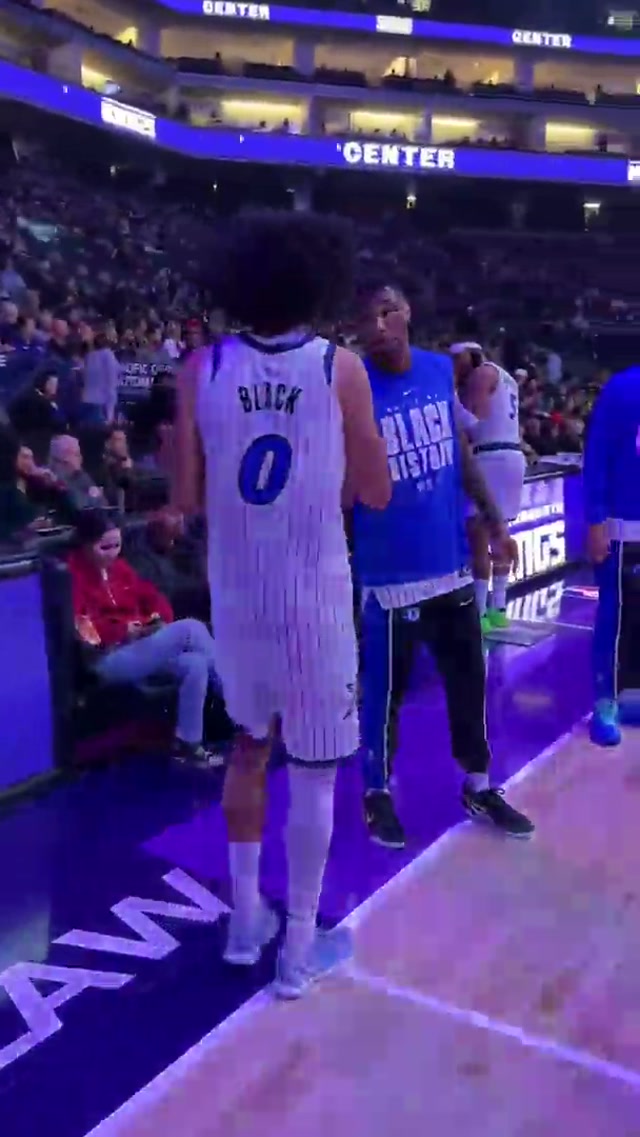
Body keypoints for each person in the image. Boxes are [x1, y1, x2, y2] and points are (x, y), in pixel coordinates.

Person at [172, 209, 390, 998]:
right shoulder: (340, 366)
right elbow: (375, 490)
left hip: (238, 597)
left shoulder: (201, 368)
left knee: (248, 749)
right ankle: (298, 947)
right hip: (314, 600)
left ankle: (244, 921)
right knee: (318, 773)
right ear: (317, 283)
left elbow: (186, 496)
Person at [352, 284, 534, 849]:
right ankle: (377, 792)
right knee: (385, 694)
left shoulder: (436, 371)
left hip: (449, 562)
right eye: (367, 319)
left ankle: (479, 785)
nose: (379, 326)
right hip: (389, 575)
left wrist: (495, 521)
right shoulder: (351, 385)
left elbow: (461, 453)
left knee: (468, 682)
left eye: (388, 312)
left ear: (408, 313)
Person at [68, 510, 223, 767]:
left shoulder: (119, 569)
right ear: (85, 545)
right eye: (104, 547)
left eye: (117, 546)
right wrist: (124, 630)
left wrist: (154, 619)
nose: (112, 553)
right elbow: (84, 630)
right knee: (191, 629)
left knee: (195, 664)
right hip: (105, 658)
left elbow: (152, 597)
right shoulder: (72, 577)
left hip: (137, 647)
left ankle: (188, 744)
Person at [584, 367, 640, 746]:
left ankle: (630, 696)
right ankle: (604, 703)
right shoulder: (622, 388)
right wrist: (596, 520)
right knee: (613, 616)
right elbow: (598, 454)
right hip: (623, 527)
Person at [453, 342, 526, 634]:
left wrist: (450, 405)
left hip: (489, 456)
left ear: (468, 356)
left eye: (456, 359)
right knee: (500, 533)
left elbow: (475, 422)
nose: (453, 365)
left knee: (479, 537)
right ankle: (499, 609)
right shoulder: (506, 378)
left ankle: (480, 614)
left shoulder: (480, 374)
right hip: (513, 456)